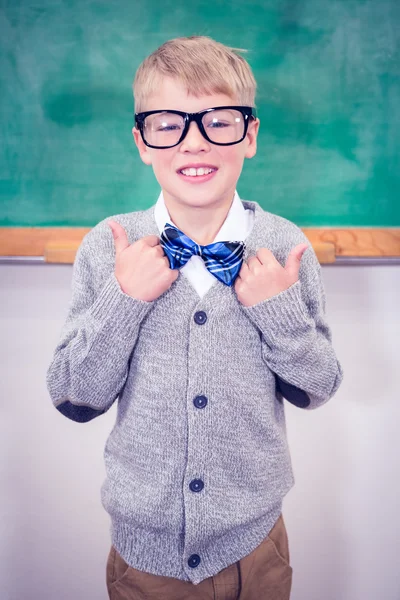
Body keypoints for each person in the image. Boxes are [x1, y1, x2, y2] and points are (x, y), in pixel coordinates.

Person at [46, 35, 343, 600]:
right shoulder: (109, 246)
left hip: (256, 547)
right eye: (168, 123)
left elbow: (319, 387)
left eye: (218, 120)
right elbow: (73, 397)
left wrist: (277, 312)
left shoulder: (284, 245)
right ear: (142, 142)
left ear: (250, 135)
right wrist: (123, 300)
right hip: (144, 557)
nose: (193, 142)